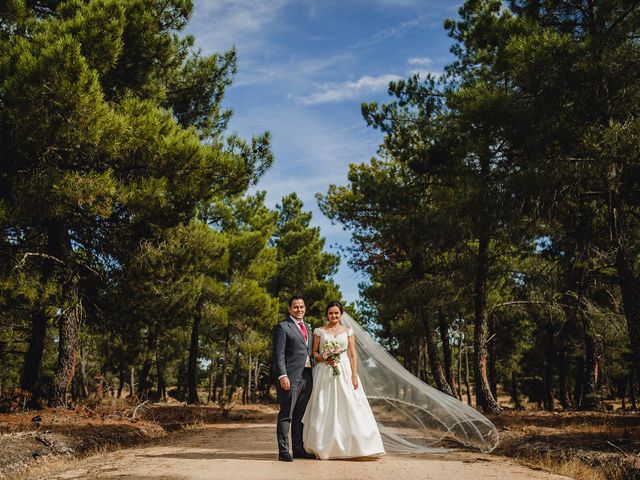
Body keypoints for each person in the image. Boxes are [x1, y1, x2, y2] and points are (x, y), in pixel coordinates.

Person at [302, 300, 385, 460]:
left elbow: (353, 355)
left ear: (341, 314)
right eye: (330, 313)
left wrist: (354, 375)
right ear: (327, 314)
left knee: (349, 405)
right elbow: (314, 353)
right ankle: (323, 446)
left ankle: (357, 446)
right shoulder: (319, 331)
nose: (333, 315)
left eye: (336, 313)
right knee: (323, 405)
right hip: (324, 372)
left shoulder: (348, 332)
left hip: (345, 371)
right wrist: (324, 357)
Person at [272, 295, 316, 462]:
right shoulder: (283, 327)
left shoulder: (308, 327)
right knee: (286, 414)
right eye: (296, 307)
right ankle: (284, 451)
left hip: (307, 376)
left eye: (302, 307)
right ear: (289, 309)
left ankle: (298, 449)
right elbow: (279, 354)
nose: (299, 310)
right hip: (290, 377)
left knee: (300, 416)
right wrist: (282, 375)